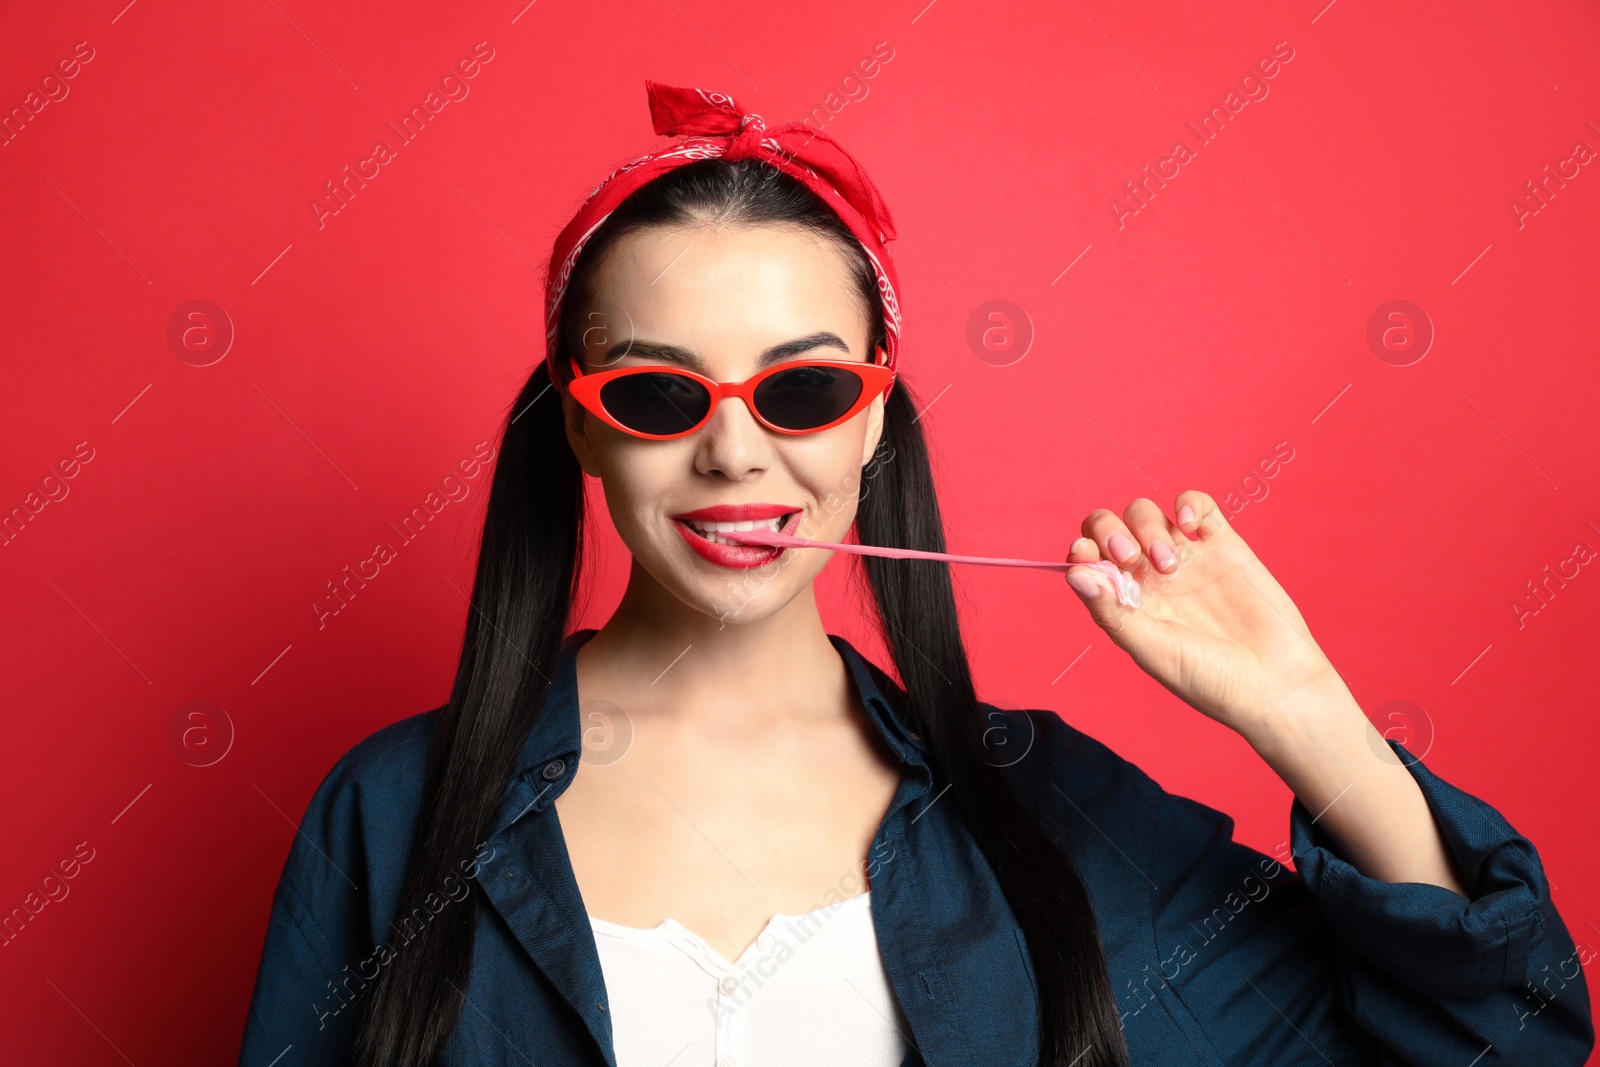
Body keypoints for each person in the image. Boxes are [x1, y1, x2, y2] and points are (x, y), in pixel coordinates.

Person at [237, 81, 1594, 1067]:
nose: (734, 453)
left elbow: (1496, 1049)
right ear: (584, 422)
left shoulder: (1045, 816)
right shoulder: (392, 816)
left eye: (805, 389)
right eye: (659, 395)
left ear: (878, 414)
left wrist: (1314, 727)